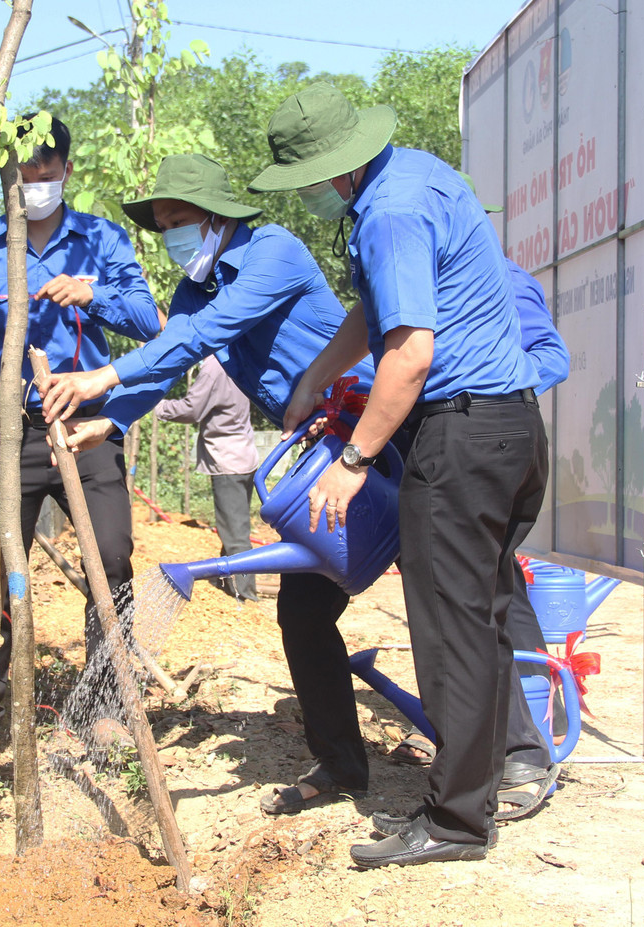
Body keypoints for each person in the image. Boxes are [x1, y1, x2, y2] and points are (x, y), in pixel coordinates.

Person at [249, 83, 552, 867]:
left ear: (338, 168)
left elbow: (410, 352)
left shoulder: (388, 212)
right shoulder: (412, 177)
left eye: (309, 180)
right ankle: (487, 780)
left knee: (449, 632)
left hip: (461, 431)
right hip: (508, 429)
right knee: (476, 617)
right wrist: (320, 372)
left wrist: (353, 460)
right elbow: (379, 310)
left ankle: (455, 821)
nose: (309, 194)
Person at [40, 152, 377, 814]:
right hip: (314, 452)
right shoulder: (195, 291)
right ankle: (342, 766)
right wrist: (110, 421)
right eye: (162, 223)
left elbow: (205, 336)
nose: (171, 235)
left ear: (219, 217)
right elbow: (170, 365)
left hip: (372, 434)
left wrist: (100, 379)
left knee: (440, 590)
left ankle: (501, 749)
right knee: (304, 613)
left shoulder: (272, 252)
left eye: (179, 219)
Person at [0, 114, 160, 742]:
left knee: (111, 554)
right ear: (7, 173)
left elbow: (149, 320)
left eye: (48, 167)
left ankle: (104, 702)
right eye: (24, 168)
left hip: (86, 424)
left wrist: (91, 296)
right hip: (8, 429)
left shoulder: (99, 240)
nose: (36, 178)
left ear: (67, 170)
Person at [388, 173, 571, 788]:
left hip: (479, 443)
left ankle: (522, 744)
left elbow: (551, 356)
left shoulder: (505, 282)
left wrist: (482, 388)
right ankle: (493, 749)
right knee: (478, 599)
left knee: (493, 601)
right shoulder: (422, 284)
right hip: (443, 443)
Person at [156, 355, 260, 602]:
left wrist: (157, 406)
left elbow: (192, 409)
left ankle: (246, 596)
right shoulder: (236, 358)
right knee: (234, 526)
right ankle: (226, 582)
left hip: (227, 459)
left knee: (235, 535)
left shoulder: (214, 366)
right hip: (243, 453)